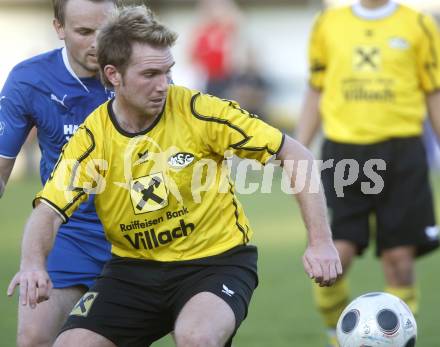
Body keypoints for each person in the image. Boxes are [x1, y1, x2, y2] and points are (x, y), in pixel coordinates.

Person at [7, 5, 342, 347]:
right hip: (132, 271)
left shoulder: (198, 111)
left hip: (215, 262)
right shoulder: (93, 138)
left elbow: (294, 152)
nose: (163, 85)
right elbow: (48, 211)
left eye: (167, 72)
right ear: (114, 75)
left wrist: (320, 241)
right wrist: (33, 263)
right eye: (149, 74)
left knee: (195, 337)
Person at [296, 0, 440, 346]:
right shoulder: (327, 24)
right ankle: (336, 335)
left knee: (399, 259)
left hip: (402, 153)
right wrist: (297, 150)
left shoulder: (419, 25)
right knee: (336, 257)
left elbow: (434, 92)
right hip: (345, 154)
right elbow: (316, 90)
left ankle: (393, 340)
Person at [0, 0, 118, 345]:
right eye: (84, 32)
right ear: (59, 28)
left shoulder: (140, 73)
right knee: (34, 337)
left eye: (106, 30)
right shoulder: (30, 79)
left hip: (138, 232)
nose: (98, 42)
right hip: (68, 231)